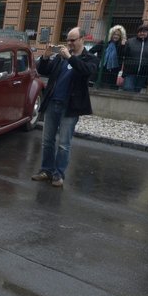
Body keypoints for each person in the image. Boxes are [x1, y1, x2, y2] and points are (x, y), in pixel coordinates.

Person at [31, 27, 97, 188]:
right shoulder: (61, 57)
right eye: (67, 39)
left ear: (82, 39)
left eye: (72, 40)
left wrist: (70, 58)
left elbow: (86, 71)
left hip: (70, 107)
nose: (69, 43)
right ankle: (46, 170)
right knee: (47, 141)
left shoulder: (90, 58)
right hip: (53, 102)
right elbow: (43, 70)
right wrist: (45, 58)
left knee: (63, 143)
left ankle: (58, 174)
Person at [120, 23, 148, 93]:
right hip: (130, 73)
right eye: (140, 31)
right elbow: (123, 54)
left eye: (144, 31)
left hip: (143, 74)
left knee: (136, 93)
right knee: (128, 90)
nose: (142, 33)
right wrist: (122, 46)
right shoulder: (130, 42)